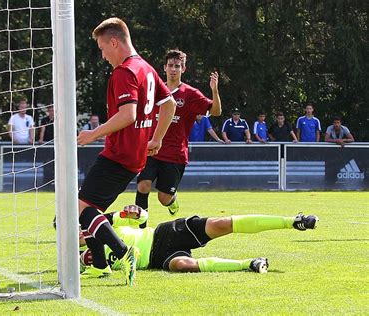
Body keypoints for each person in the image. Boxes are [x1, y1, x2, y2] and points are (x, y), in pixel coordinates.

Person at [76, 17, 176, 284]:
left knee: (81, 209)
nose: (103, 55)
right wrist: (157, 139)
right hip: (134, 156)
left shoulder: (125, 71)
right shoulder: (146, 67)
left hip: (118, 155)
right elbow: (170, 105)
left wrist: (92, 134)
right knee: (90, 210)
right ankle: (99, 264)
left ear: (114, 41)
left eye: (102, 48)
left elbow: (128, 114)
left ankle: (122, 253)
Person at [80, 205, 319, 274]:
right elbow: (87, 261)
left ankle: (292, 220)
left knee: (221, 224)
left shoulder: (105, 223)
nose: (79, 235)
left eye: (80, 230)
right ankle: (248, 263)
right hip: (158, 259)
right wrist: (86, 258)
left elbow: (142, 218)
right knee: (183, 265)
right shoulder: (88, 261)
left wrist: (135, 212)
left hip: (163, 234)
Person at [135, 49, 221, 228]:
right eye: (170, 66)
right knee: (143, 186)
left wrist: (214, 91)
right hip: (151, 148)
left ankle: (172, 200)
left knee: (163, 198)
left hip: (175, 155)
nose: (173, 69)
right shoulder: (155, 90)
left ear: (183, 69)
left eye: (177, 66)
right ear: (164, 68)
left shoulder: (190, 94)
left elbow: (216, 111)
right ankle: (141, 230)